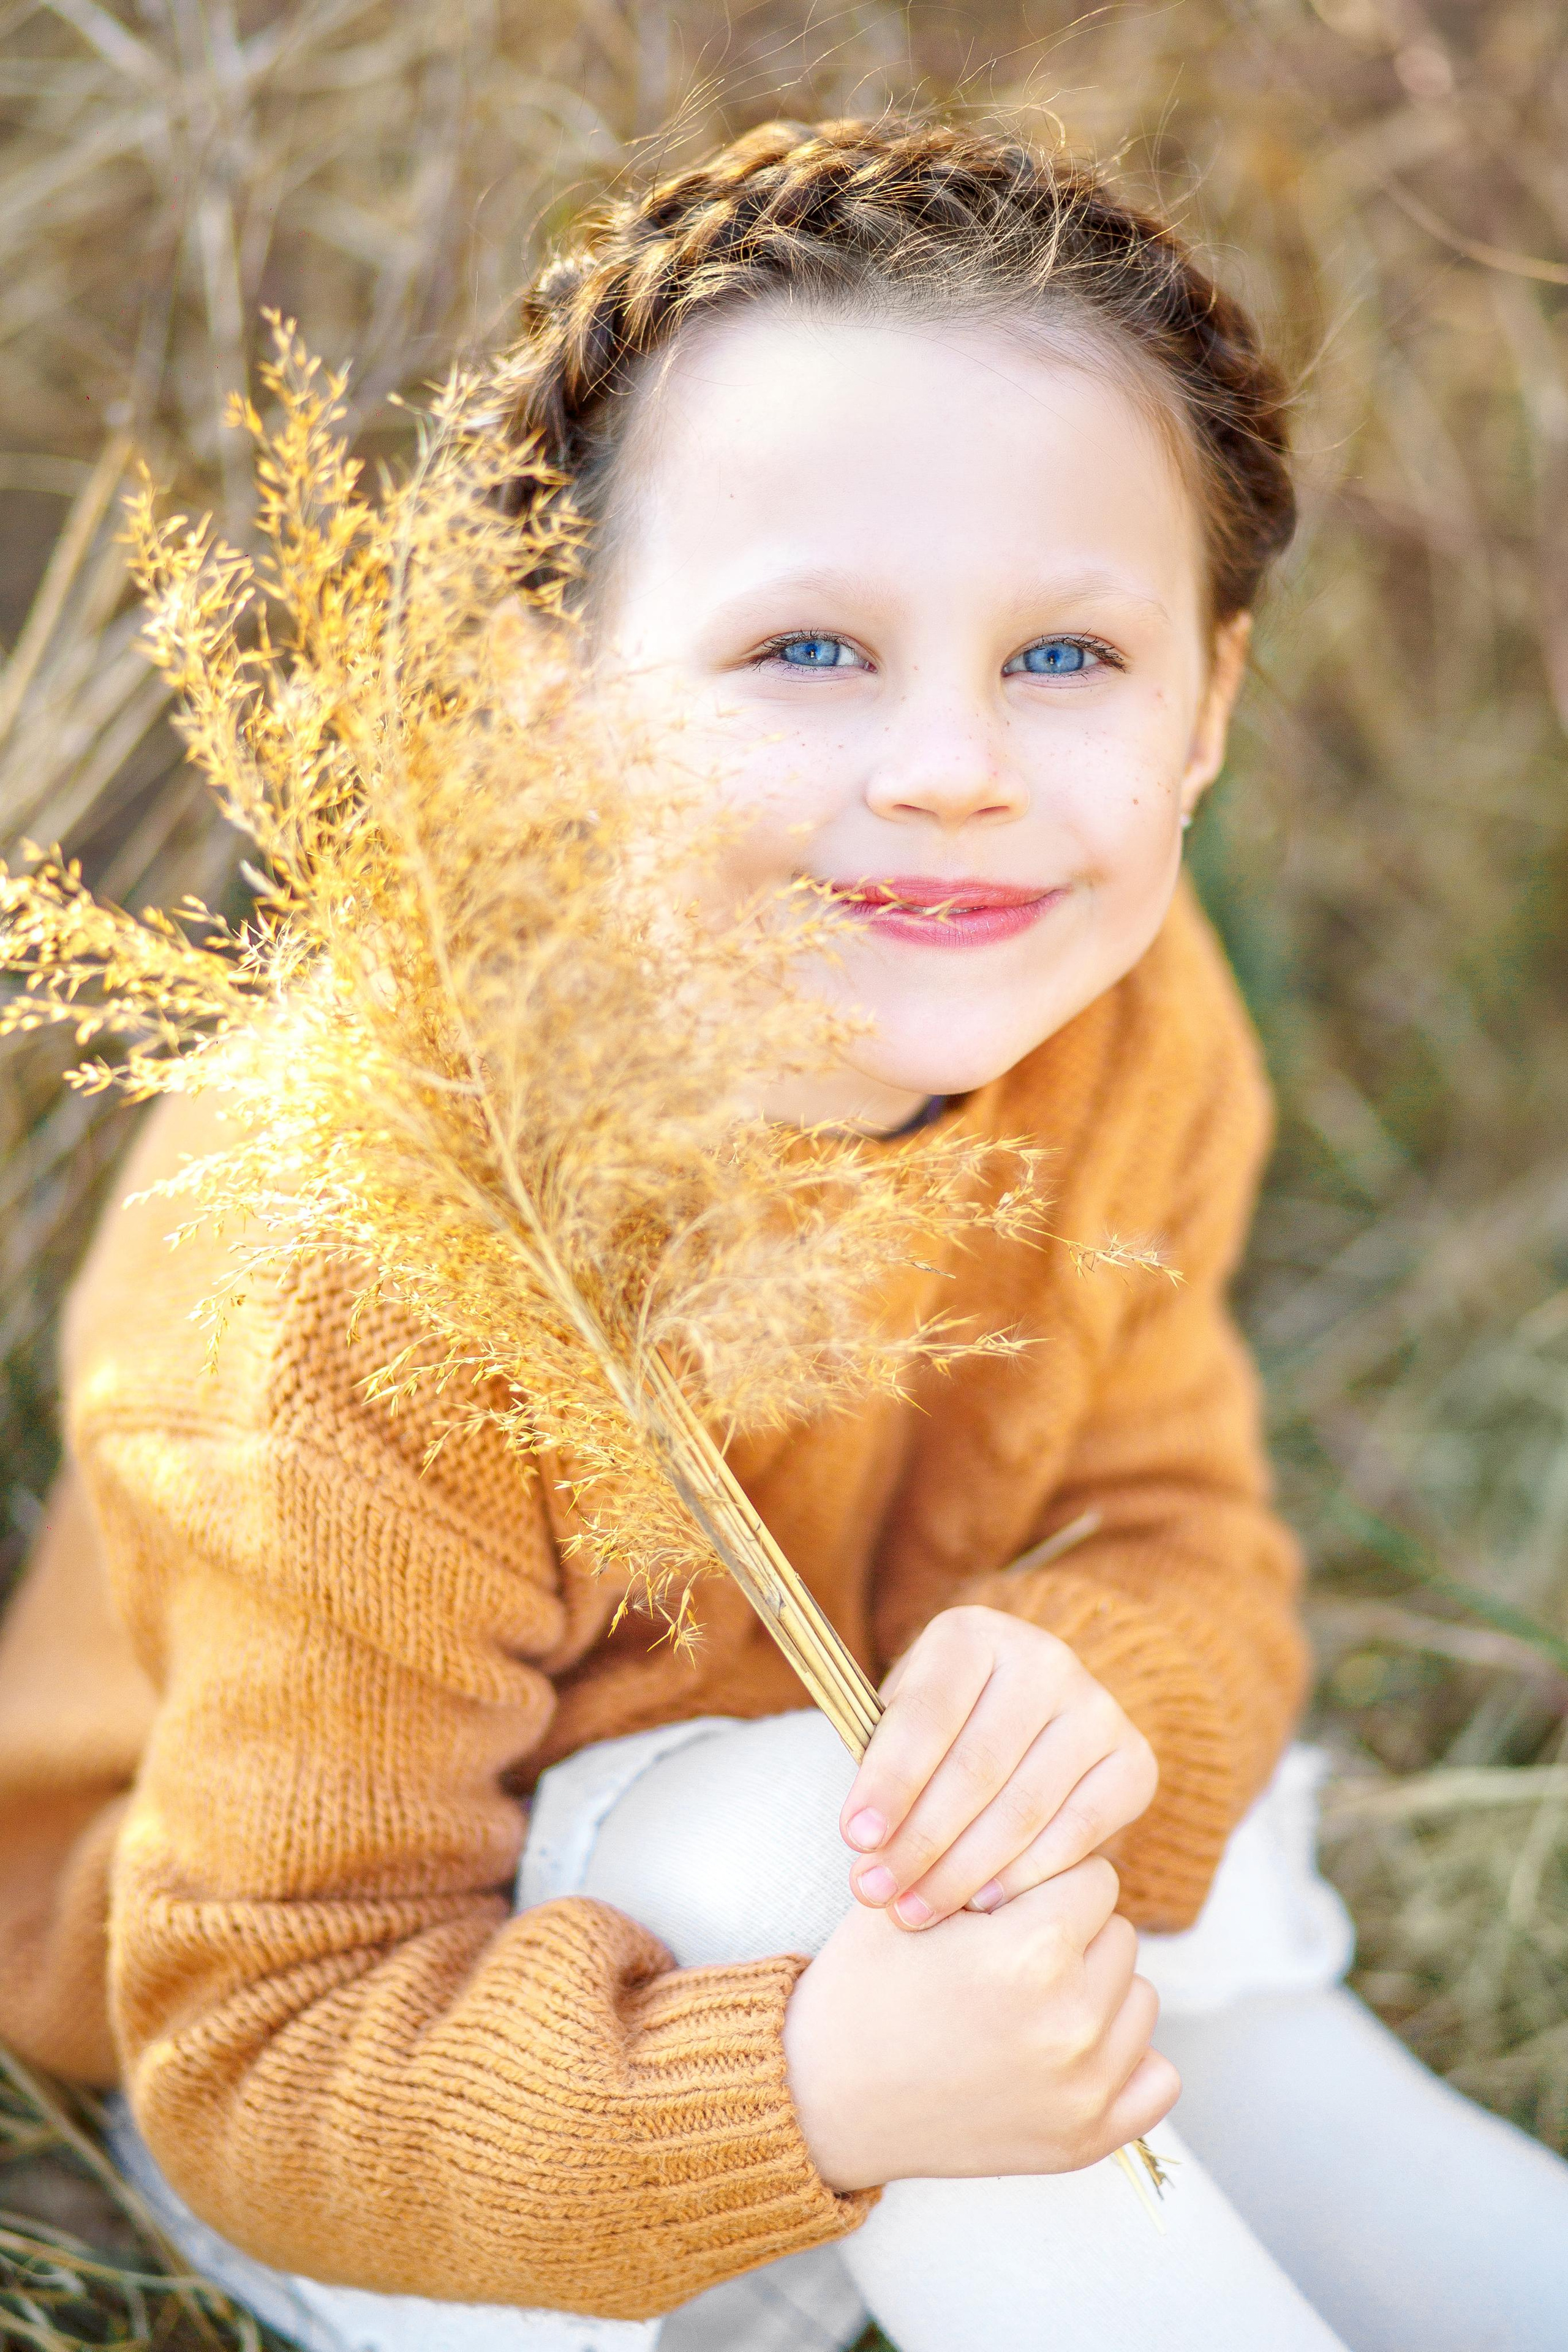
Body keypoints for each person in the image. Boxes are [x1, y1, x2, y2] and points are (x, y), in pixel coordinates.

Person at [2, 115, 1565, 2352]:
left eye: (1068, 661)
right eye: (811, 648)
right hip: (456, 2091)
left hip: (910, 1871)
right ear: (554, 696)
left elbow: (1178, 1522)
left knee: (1175, 2016)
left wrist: (1098, 1685)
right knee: (791, 1851)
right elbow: (268, 2052)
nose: (955, 766)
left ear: (1209, 710)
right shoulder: (353, 1245)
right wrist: (827, 2084)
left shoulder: (1108, 1002)